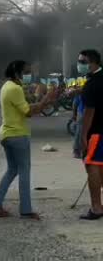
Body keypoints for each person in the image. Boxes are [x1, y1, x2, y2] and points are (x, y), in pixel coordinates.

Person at [0, 60, 56, 220]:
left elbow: (24, 106)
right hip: (18, 135)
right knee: (24, 172)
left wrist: (41, 101)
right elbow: (28, 112)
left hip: (7, 134)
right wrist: (46, 100)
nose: (29, 75)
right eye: (26, 72)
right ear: (17, 73)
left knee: (12, 170)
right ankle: (25, 210)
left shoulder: (7, 86)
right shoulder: (15, 88)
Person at [78, 49, 103, 220]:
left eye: (82, 61)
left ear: (92, 62)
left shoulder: (92, 83)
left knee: (92, 167)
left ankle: (96, 208)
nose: (79, 65)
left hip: (96, 132)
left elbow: (89, 113)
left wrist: (83, 136)